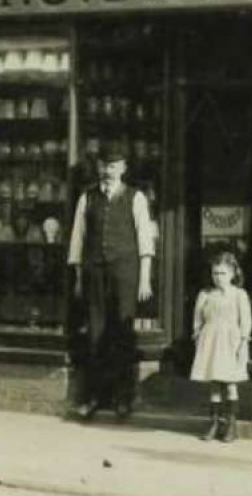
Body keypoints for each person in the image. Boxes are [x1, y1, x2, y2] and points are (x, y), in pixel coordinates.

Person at [67, 141, 155, 421]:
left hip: (125, 272)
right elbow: (77, 239)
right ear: (98, 167)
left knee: (122, 333)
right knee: (95, 333)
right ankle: (94, 397)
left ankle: (123, 398)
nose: (108, 170)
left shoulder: (135, 197)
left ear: (123, 168)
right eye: (104, 165)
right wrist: (79, 277)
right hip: (94, 272)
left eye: (114, 165)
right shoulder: (87, 197)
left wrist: (144, 279)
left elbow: (145, 241)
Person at [191, 250, 252, 442]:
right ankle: (215, 422)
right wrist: (198, 337)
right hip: (211, 340)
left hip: (230, 342)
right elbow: (197, 319)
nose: (218, 278)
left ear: (233, 273)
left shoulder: (239, 295)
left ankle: (231, 424)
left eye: (223, 273)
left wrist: (243, 342)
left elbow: (246, 321)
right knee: (215, 383)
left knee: (230, 382)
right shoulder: (206, 294)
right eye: (215, 273)